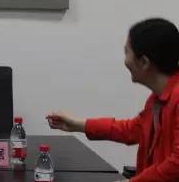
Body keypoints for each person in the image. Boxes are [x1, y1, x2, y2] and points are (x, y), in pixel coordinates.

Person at [48, 18, 179, 181]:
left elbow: (176, 164)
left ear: (144, 62)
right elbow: (132, 130)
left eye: (127, 52)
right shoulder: (156, 100)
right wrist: (78, 124)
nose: (125, 61)